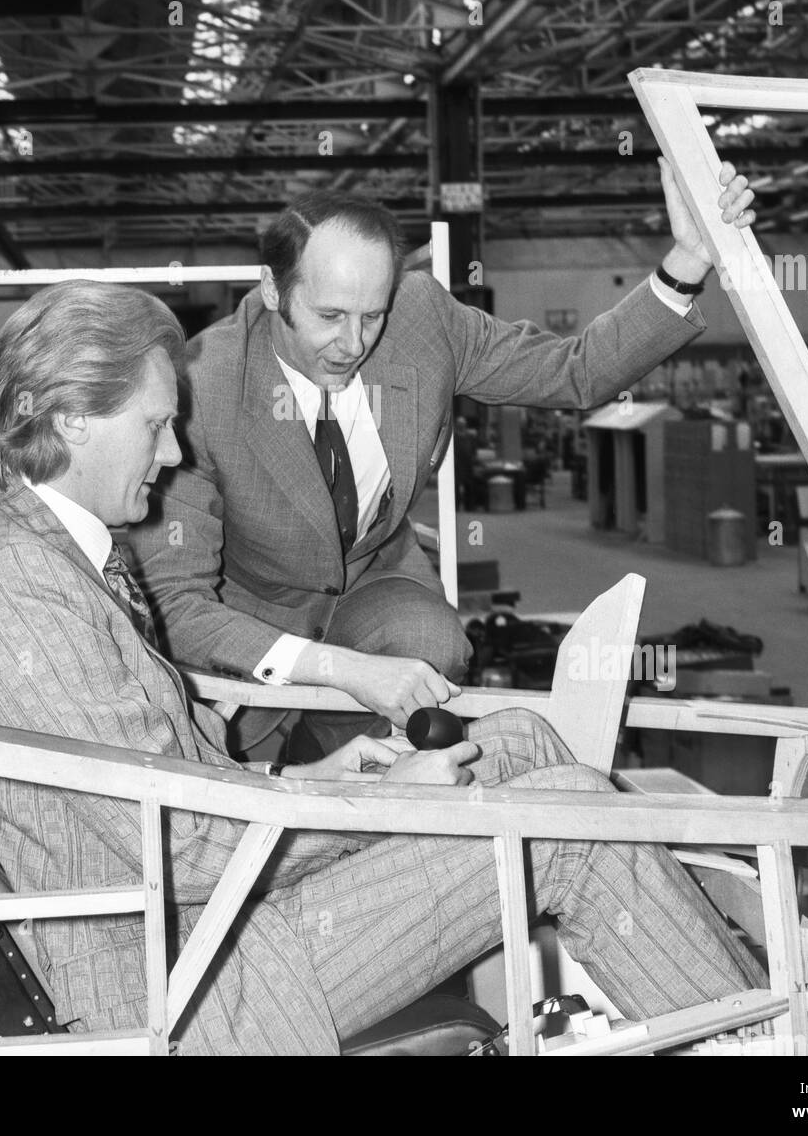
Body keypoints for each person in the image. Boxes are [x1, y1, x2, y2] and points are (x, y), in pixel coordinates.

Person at [0, 280, 763, 1054]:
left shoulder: (55, 556)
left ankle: (682, 979)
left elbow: (169, 799)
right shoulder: (17, 590)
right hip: (191, 980)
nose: (173, 454)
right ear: (70, 418)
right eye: (155, 424)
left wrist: (316, 775)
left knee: (515, 742)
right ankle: (766, 1045)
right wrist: (379, 803)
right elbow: (183, 845)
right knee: (571, 823)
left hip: (207, 914)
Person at [123, 160, 757, 759]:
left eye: (372, 315)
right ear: (271, 289)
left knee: (429, 651)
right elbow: (175, 603)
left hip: (372, 577)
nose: (353, 344)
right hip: (249, 612)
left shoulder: (423, 320)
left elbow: (577, 372)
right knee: (232, 781)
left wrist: (688, 261)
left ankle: (330, 771)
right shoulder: (202, 388)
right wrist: (342, 669)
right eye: (328, 316)